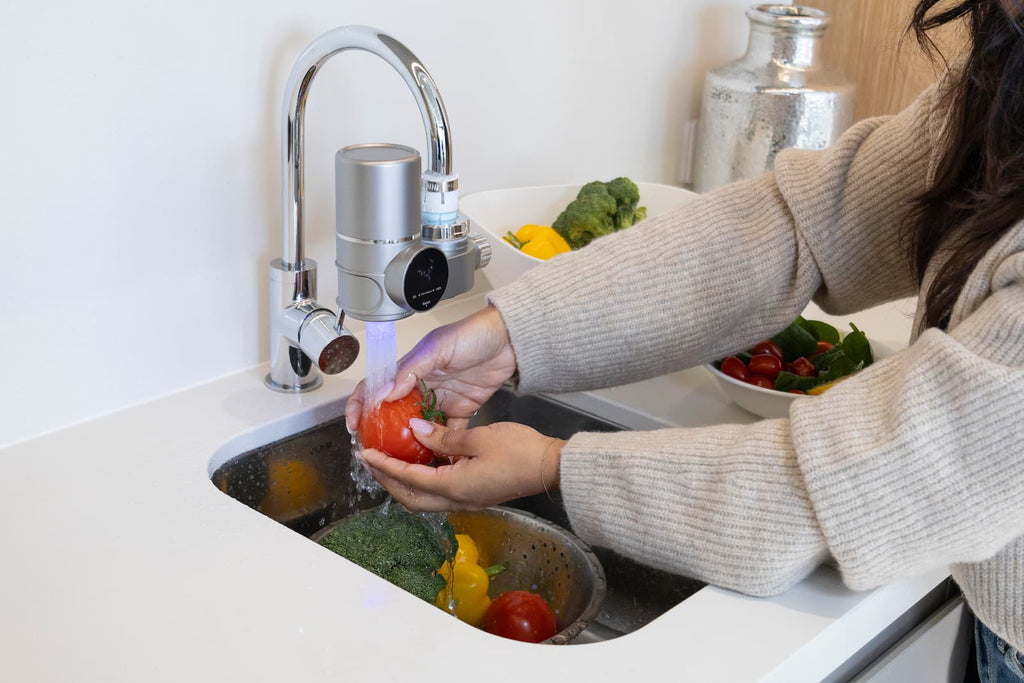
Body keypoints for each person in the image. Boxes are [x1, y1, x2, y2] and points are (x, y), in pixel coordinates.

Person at [346, 0, 1024, 678]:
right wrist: (516, 332)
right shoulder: (1007, 70)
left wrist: (551, 464)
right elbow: (798, 228)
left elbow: (855, 487)